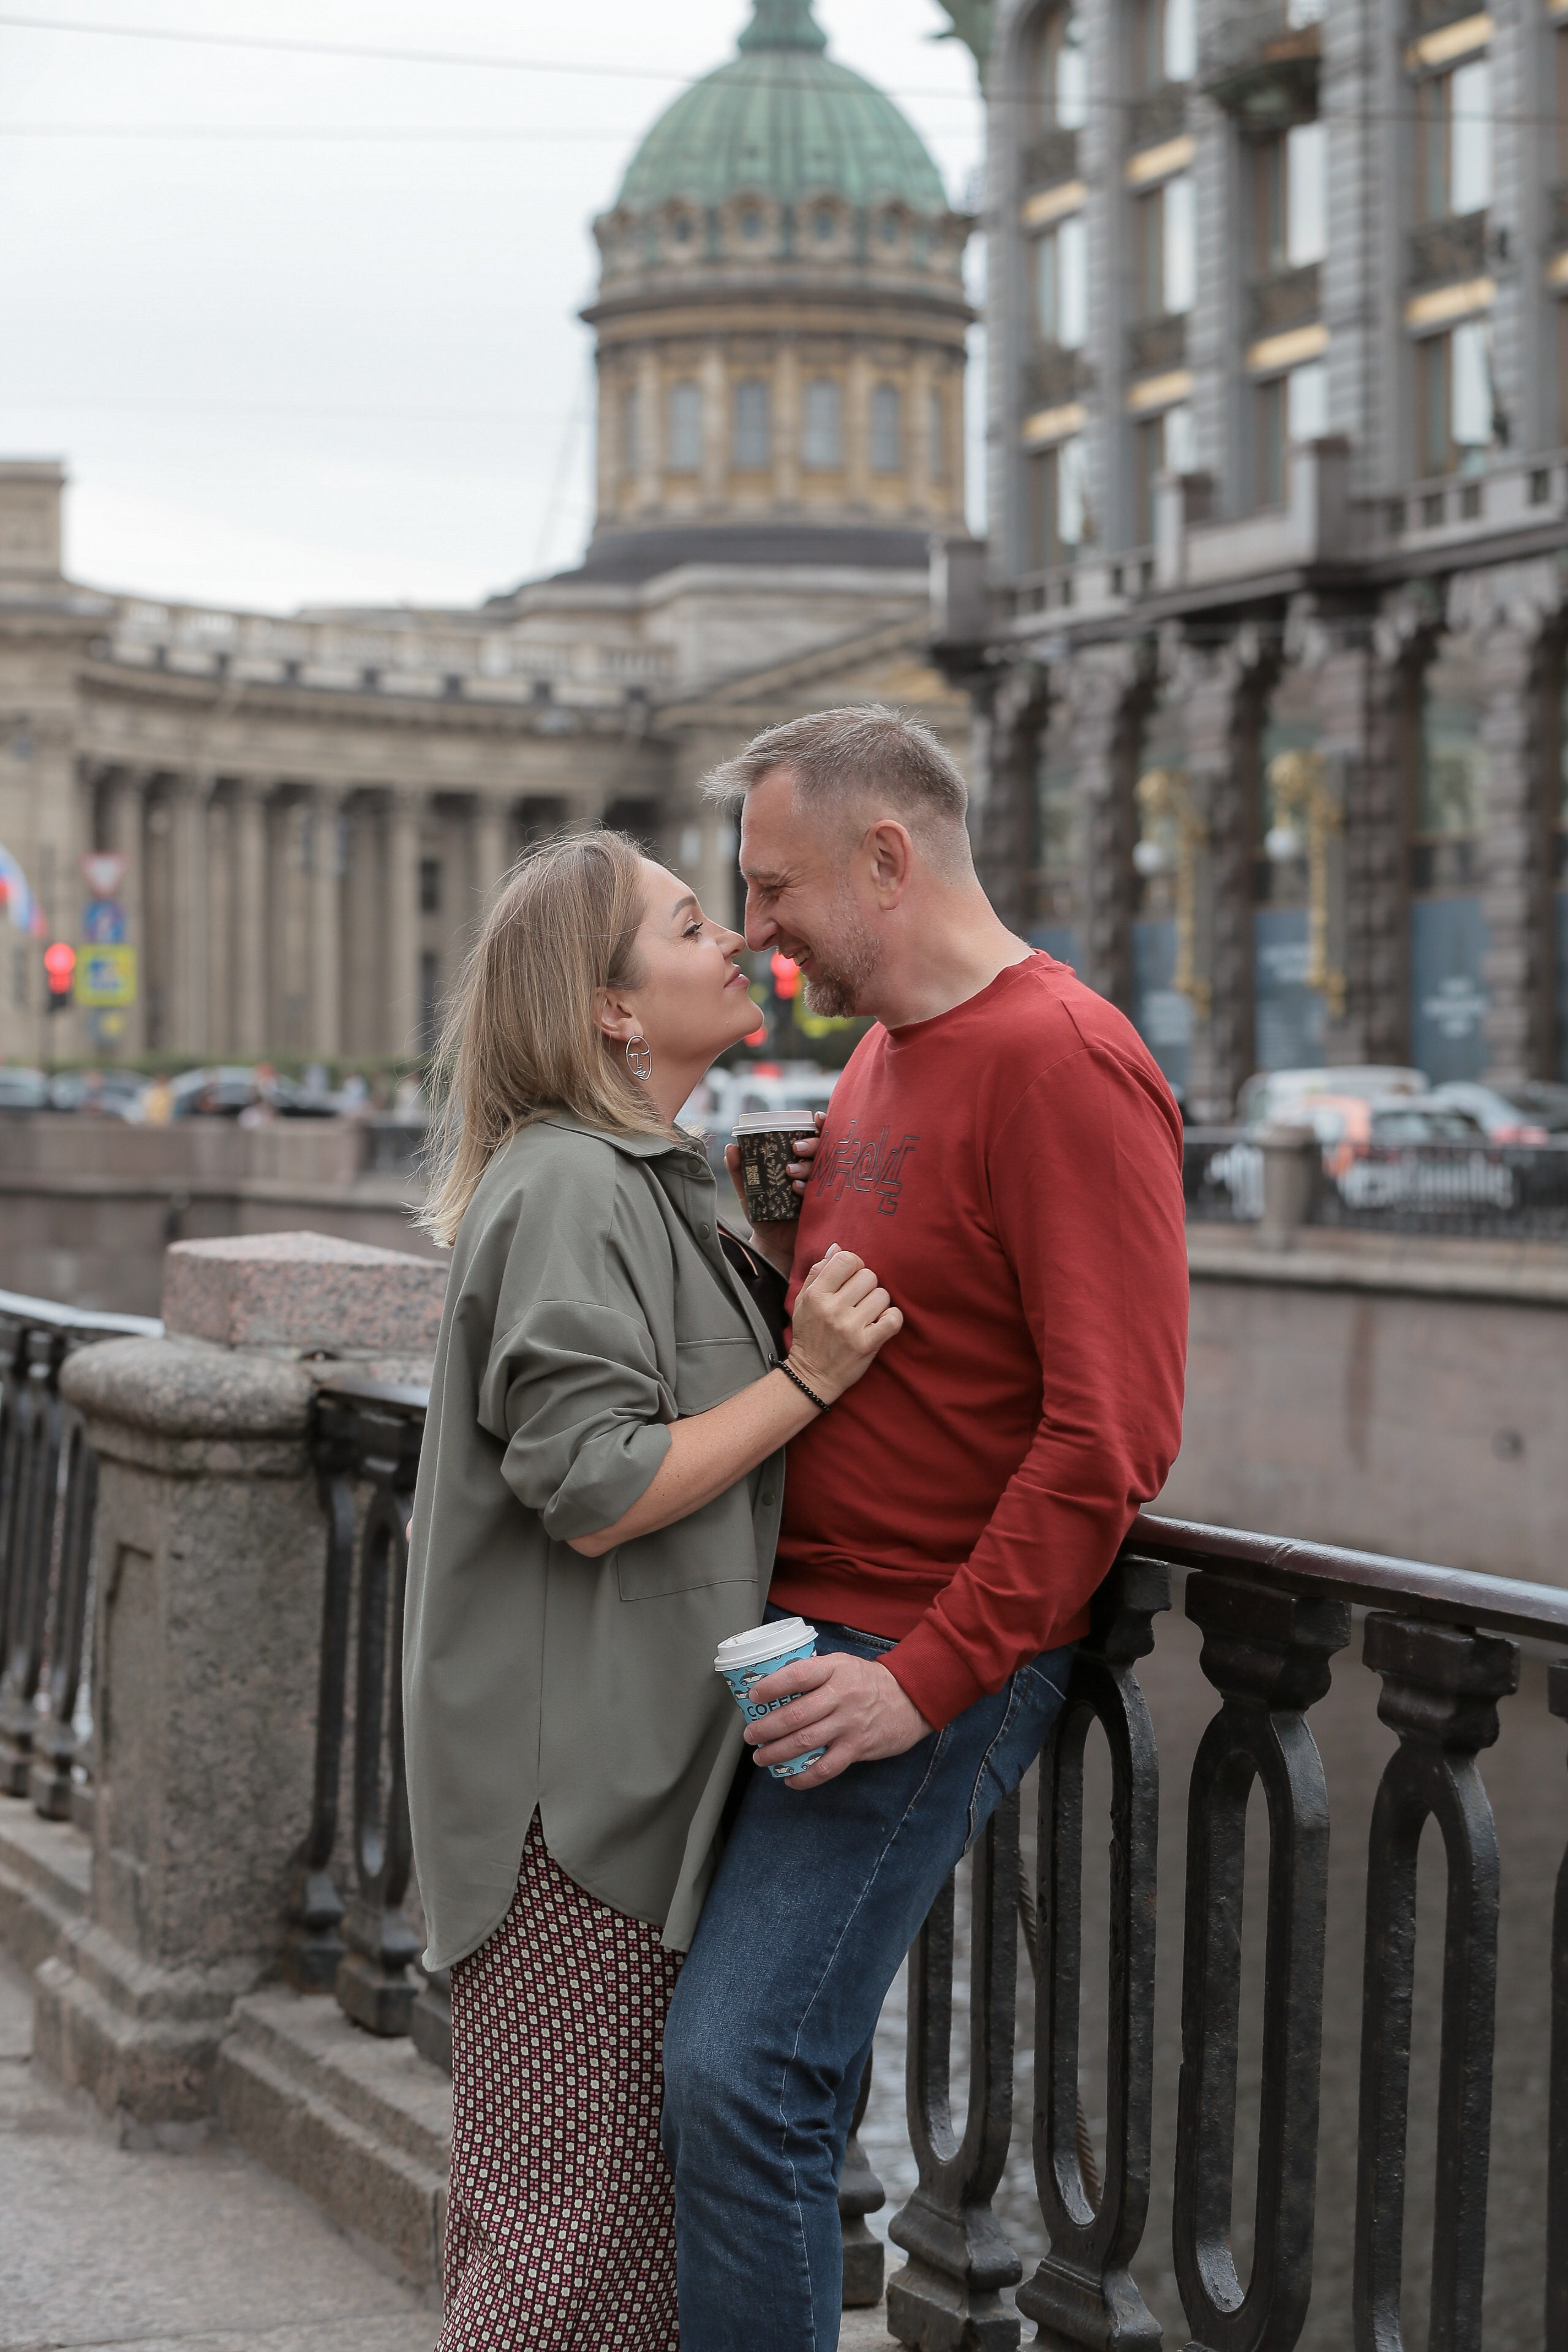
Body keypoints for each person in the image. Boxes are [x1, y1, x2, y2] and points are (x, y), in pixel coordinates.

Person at [660, 706, 1189, 2351]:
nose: (755, 930)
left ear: (886, 857)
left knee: (742, 2071)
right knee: (727, 2065)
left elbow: (1115, 1436)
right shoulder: (887, 1051)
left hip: (908, 1654)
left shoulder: (1067, 1059)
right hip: (791, 1633)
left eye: (773, 886)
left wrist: (928, 1678)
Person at [402, 831, 903, 2352]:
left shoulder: (644, 1178)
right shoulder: (567, 1186)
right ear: (613, 1009)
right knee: (566, 2257)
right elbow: (597, 1483)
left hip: (627, 1788)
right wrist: (809, 1375)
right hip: (571, 1814)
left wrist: (760, 1240)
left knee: (600, 2244)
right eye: (692, 925)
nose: (732, 945)